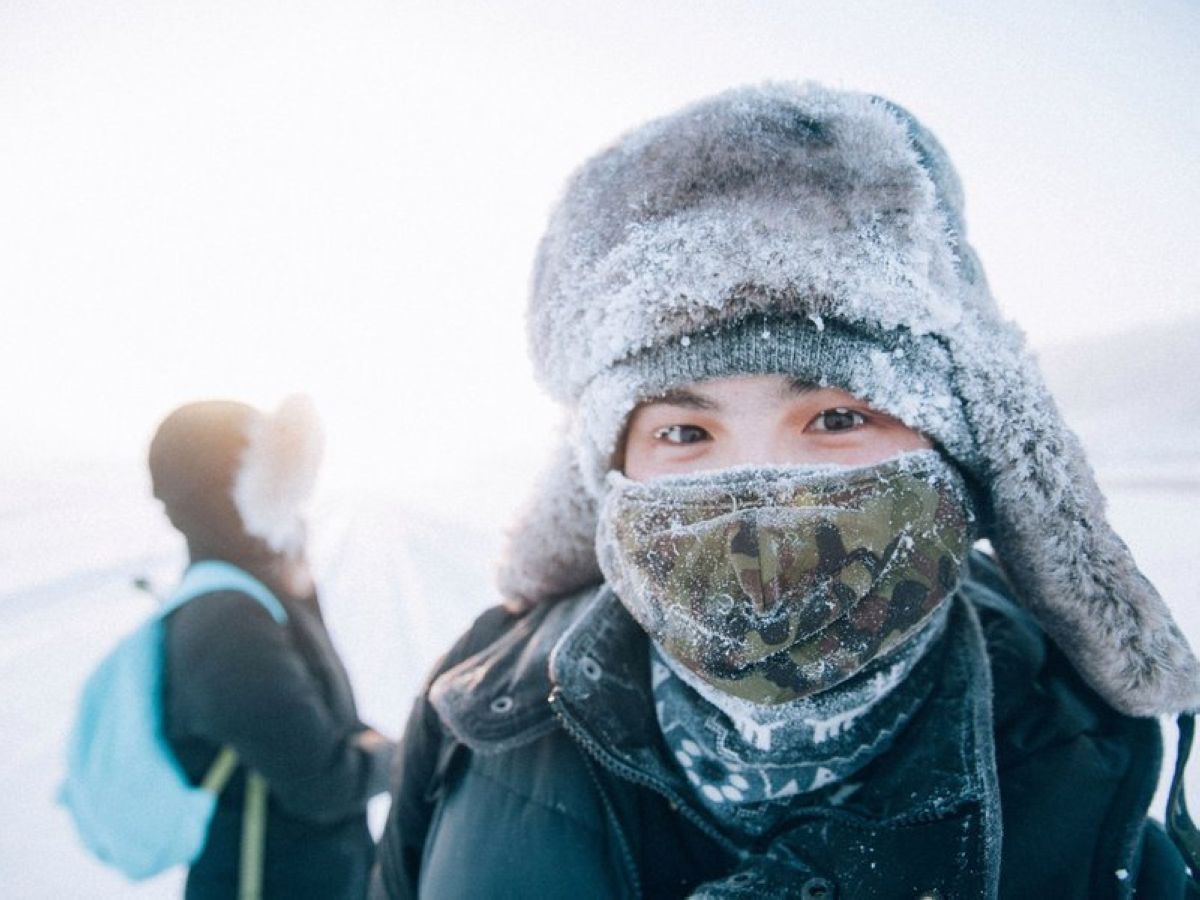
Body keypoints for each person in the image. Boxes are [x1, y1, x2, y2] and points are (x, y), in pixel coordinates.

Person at [370, 83, 1199, 898]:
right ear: (607, 475)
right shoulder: (472, 718)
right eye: (685, 433)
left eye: (837, 417)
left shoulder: (1095, 808)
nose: (759, 496)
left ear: (962, 449)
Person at [149, 395, 395, 899]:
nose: (293, 503)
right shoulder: (228, 622)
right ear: (230, 492)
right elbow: (324, 783)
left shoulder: (252, 594)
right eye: (274, 480)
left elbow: (331, 721)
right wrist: (402, 755)